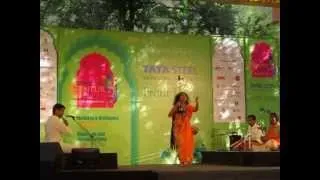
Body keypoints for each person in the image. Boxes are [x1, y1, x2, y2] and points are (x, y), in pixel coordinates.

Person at [168, 92, 199, 166]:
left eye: (184, 96)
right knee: (180, 144)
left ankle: (187, 160)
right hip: (177, 128)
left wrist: (197, 102)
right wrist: (176, 107)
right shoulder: (176, 106)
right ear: (178, 98)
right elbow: (169, 114)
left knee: (187, 144)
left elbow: (196, 109)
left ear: (186, 98)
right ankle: (182, 160)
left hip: (186, 127)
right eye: (181, 96)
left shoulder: (188, 107)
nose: (183, 97)